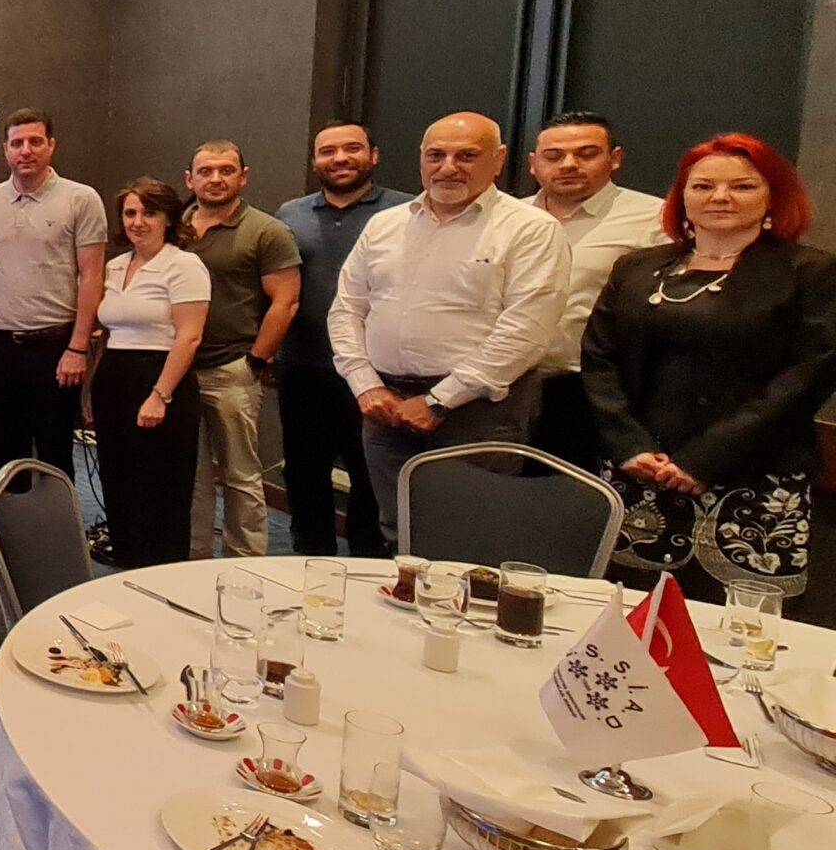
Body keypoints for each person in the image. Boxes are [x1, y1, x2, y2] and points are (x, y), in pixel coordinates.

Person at [582, 134, 836, 603]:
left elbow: (808, 376)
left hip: (752, 474)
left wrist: (704, 459)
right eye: (702, 186)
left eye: (742, 186)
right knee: (625, 616)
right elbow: (599, 359)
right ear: (682, 198)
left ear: (773, 197)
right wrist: (629, 445)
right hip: (640, 471)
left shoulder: (810, 272)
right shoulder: (636, 267)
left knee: (739, 627)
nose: (720, 197)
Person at [326, 111, 566, 545]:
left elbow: (525, 332)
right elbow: (346, 308)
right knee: (398, 531)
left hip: (478, 413)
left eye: (466, 156)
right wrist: (364, 384)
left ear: (498, 159)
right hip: (384, 406)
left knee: (468, 536)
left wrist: (439, 401)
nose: (448, 167)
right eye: (436, 155)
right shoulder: (385, 224)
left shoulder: (531, 229)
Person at [275, 122, 412, 558]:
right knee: (303, 471)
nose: (339, 158)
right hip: (302, 364)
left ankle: (368, 562)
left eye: (352, 148)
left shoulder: (405, 212)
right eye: (328, 151)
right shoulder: (290, 214)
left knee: (368, 474)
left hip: (375, 372)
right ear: (315, 160)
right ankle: (310, 559)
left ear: (374, 155)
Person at [0, 108, 105, 491]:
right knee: (1, 451)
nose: (25, 150)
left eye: (35, 142)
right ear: (5, 150)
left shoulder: (81, 199)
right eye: (17, 143)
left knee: (53, 450)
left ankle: (55, 527)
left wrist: (78, 347)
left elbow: (92, 275)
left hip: (55, 347)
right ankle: (8, 525)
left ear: (51, 146)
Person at [180, 140, 302, 559]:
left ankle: (244, 564)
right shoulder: (175, 228)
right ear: (190, 179)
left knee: (240, 474)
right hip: (179, 369)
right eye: (206, 171)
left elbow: (286, 301)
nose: (215, 179)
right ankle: (192, 559)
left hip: (231, 368)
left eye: (226, 170)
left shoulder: (267, 231)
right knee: (191, 474)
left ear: (243, 177)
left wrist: (256, 359)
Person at [527, 111, 667, 472]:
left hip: (595, 391)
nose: (568, 164)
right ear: (533, 164)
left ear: (615, 158)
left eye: (586, 154)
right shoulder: (507, 217)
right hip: (504, 388)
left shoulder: (656, 219)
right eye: (554, 156)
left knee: (581, 499)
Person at [88, 181, 210, 570]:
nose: (137, 222)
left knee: (159, 488)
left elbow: (189, 337)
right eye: (130, 213)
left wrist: (160, 395)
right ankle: (126, 564)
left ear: (169, 218)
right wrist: (92, 390)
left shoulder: (183, 265)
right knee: (118, 479)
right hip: (115, 376)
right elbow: (108, 333)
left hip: (160, 378)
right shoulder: (116, 266)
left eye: (149, 213)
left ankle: (160, 573)